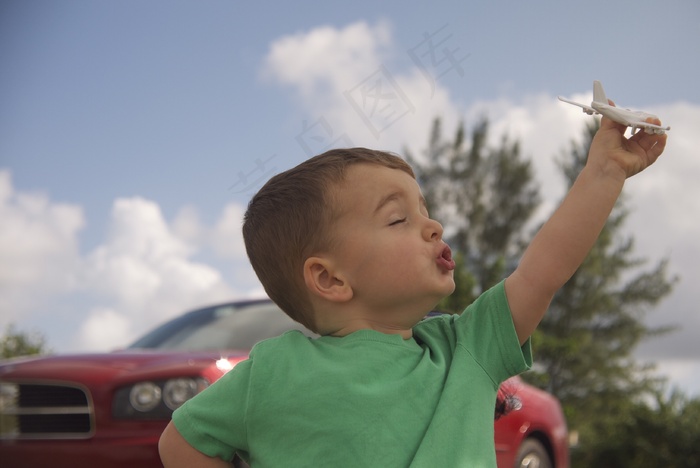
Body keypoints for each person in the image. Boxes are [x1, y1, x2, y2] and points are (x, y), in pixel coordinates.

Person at [159, 114, 667, 467]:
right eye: (399, 218)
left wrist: (605, 170)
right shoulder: (270, 372)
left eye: (424, 211)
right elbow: (180, 443)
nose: (433, 226)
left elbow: (543, 270)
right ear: (331, 279)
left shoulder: (467, 348)